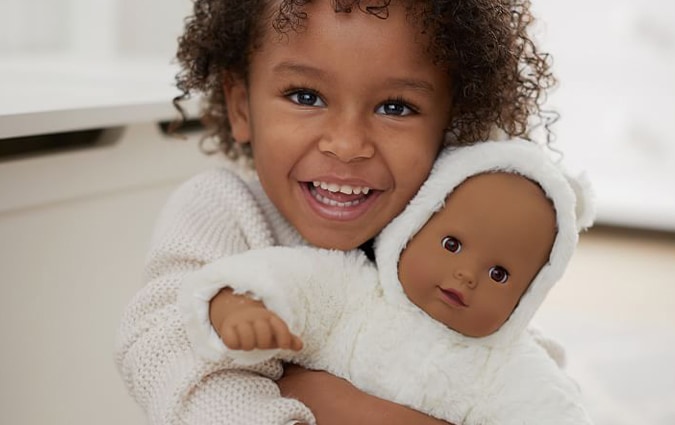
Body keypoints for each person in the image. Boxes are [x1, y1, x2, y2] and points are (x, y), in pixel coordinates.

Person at [114, 0, 557, 424]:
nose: (346, 145)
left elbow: (519, 366)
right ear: (241, 106)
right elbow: (164, 348)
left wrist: (307, 389)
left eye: (395, 107)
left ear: (451, 125)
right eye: (306, 96)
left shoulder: (445, 232)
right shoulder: (219, 210)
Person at [179, 139, 595, 425]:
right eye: (451, 244)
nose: (467, 275)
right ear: (412, 225)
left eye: (499, 274)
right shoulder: (356, 292)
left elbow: (550, 410)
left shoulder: (505, 365)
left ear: (528, 298)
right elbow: (292, 283)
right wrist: (237, 302)